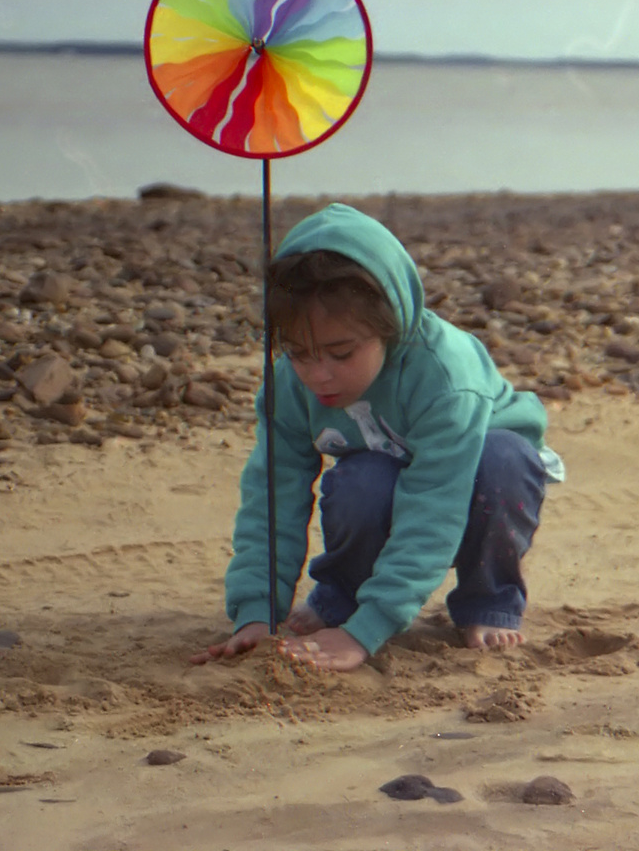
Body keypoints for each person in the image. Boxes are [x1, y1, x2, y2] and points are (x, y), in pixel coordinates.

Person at [190, 203, 563, 672]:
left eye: (341, 353)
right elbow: (273, 500)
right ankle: (342, 597)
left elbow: (434, 504)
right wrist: (256, 611)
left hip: (475, 474)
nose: (319, 375)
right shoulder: (287, 386)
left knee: (504, 460)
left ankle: (487, 600)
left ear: (390, 327)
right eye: (299, 353)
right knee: (360, 482)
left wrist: (370, 631)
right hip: (380, 465)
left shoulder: (446, 376)